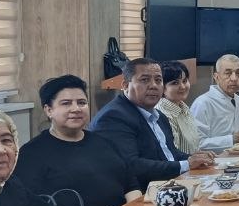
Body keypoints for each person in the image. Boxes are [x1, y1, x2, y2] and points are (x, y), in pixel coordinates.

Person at [16, 75, 143, 206]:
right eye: (66, 103)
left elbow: (131, 185)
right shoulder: (31, 154)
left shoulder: (104, 142)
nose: (76, 109)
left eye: (82, 103)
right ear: (48, 110)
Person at [90, 58, 214, 190]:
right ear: (125, 85)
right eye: (145, 80)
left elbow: (169, 154)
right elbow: (131, 165)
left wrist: (196, 158)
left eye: (158, 80)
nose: (154, 85)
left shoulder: (159, 116)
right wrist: (186, 164)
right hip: (137, 195)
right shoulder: (114, 117)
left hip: (167, 188)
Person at [190, 54, 239, 151]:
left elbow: (238, 137)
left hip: (238, 156)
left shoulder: (238, 100)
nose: (234, 78)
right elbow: (196, 144)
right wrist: (232, 139)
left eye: (238, 73)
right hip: (214, 159)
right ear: (216, 77)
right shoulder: (202, 103)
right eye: (228, 73)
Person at [158, 60, 200, 155]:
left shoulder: (184, 107)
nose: (183, 87)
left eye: (185, 81)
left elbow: (193, 146)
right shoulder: (162, 113)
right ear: (162, 87)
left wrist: (201, 154)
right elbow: (172, 153)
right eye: (175, 83)